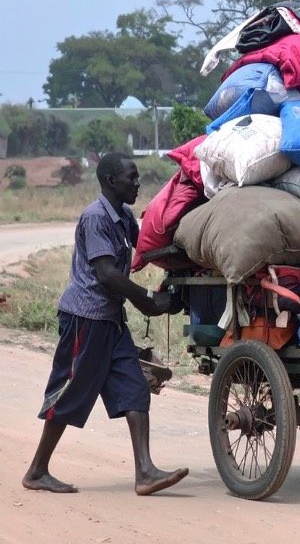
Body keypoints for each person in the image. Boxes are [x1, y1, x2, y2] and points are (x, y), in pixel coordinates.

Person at [22, 151, 189, 496]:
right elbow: (108, 274)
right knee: (69, 393)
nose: (138, 183)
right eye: (132, 177)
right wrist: (147, 301)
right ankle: (37, 471)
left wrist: (182, 268)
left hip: (110, 320)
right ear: (111, 181)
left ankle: (145, 472)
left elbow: (145, 248)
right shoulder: (95, 217)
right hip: (86, 319)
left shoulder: (124, 216)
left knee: (135, 388)